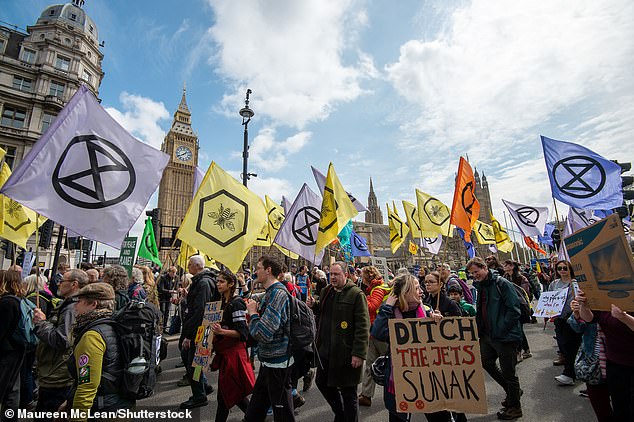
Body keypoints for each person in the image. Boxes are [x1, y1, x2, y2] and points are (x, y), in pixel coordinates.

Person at [371, 273, 441, 422]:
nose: (421, 290)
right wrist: (387, 307)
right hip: (399, 377)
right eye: (416, 288)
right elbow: (378, 333)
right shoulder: (390, 313)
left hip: (427, 376)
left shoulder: (427, 311)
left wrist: (437, 321)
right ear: (406, 292)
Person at [307, 261, 369, 422]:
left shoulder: (356, 294)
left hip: (346, 352)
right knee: (321, 382)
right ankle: (341, 414)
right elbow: (324, 310)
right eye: (331, 274)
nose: (332, 277)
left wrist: (359, 353)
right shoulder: (327, 290)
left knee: (349, 394)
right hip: (326, 350)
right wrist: (315, 304)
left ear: (346, 275)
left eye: (336, 274)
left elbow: (363, 326)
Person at [467, 257, 523, 420]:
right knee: (486, 362)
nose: (474, 276)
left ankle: (515, 407)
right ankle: (513, 393)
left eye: (476, 272)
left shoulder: (502, 284)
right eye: (472, 274)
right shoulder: (480, 286)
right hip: (487, 335)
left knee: (509, 372)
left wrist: (502, 329)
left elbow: (514, 310)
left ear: (485, 268)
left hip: (504, 336)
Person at [67, 283, 133, 420]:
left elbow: (87, 385)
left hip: (102, 409)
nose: (75, 306)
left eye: (79, 302)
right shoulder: (113, 324)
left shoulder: (92, 336)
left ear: (93, 304)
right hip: (119, 404)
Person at [244, 255, 295, 422]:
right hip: (268, 362)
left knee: (283, 415)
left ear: (268, 270)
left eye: (258, 268)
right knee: (254, 413)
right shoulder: (270, 293)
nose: (255, 271)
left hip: (278, 364)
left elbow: (263, 334)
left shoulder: (278, 295)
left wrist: (253, 314)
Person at [33, 269, 88, 419]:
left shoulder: (71, 308)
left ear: (74, 285)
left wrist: (41, 323)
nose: (58, 283)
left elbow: (62, 340)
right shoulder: (69, 305)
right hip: (55, 373)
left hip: (58, 376)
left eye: (62, 281)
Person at [577, 291, 634, 420]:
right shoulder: (605, 293)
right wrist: (583, 305)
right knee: (621, 410)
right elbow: (589, 318)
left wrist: (624, 318)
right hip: (615, 364)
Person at [210, 270, 255, 422]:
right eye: (217, 281)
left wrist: (221, 331)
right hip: (225, 353)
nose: (218, 284)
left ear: (231, 284)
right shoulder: (223, 300)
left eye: (221, 282)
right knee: (232, 393)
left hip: (234, 355)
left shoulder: (236, 303)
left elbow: (243, 333)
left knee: (226, 394)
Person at [180, 255, 217, 409]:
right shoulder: (202, 281)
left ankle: (199, 395)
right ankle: (203, 386)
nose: (188, 267)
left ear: (197, 266)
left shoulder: (203, 283)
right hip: (202, 327)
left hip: (201, 330)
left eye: (189, 265)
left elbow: (200, 310)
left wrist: (189, 335)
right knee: (196, 363)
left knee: (193, 364)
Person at [568, 297, 613, 422]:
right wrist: (577, 314)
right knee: (603, 412)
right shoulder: (588, 294)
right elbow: (577, 328)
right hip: (592, 360)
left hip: (620, 361)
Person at [358, 265, 390, 407]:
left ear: (368, 277)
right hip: (374, 331)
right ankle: (366, 395)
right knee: (370, 365)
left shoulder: (378, 289)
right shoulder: (374, 289)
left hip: (381, 332)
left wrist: (360, 298)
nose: (360, 278)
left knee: (389, 364)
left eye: (362, 275)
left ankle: (397, 390)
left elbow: (372, 306)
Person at [548, 260, 582, 385]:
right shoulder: (554, 283)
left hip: (572, 318)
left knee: (571, 345)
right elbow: (548, 298)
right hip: (559, 318)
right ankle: (573, 370)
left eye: (565, 268)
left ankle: (569, 374)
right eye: (559, 268)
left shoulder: (576, 283)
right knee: (562, 344)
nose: (562, 270)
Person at [0, 270, 26, 421]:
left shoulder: (7, 303)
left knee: (8, 389)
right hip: (15, 350)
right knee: (11, 388)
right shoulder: (15, 300)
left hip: (7, 352)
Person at [502, 260, 532, 361]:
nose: (504, 266)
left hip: (519, 307)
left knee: (518, 329)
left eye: (506, 265)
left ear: (512, 266)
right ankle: (526, 350)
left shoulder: (521, 278)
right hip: (508, 307)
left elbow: (525, 293)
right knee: (517, 329)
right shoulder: (504, 278)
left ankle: (519, 352)